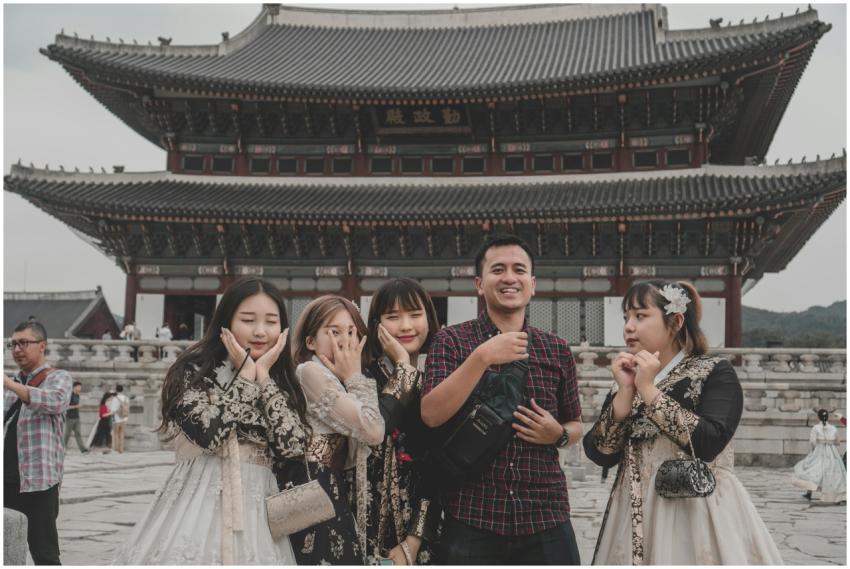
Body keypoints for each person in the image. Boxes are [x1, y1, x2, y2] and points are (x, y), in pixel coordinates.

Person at [583, 280, 783, 565]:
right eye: (626, 316)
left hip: (697, 510)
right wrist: (626, 392)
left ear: (675, 321)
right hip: (632, 509)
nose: (629, 326)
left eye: (640, 316)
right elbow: (601, 454)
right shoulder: (625, 384)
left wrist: (649, 390)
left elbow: (708, 442)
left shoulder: (714, 372)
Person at [113, 276, 308, 564]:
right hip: (198, 499)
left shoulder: (280, 381)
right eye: (248, 320)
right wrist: (245, 378)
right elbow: (210, 435)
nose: (260, 331)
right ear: (226, 322)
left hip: (258, 509)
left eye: (270, 321)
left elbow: (293, 446)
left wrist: (264, 378)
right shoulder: (192, 372)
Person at [421, 234, 583, 565]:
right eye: (498, 269)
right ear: (480, 284)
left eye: (519, 269)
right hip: (472, 512)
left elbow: (576, 423)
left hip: (545, 513)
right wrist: (480, 358)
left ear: (532, 284)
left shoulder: (557, 349)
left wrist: (559, 435)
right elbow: (431, 414)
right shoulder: (451, 341)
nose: (509, 277)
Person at [279, 295, 384, 564]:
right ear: (310, 341)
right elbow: (372, 430)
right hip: (310, 483)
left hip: (327, 482)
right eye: (334, 331)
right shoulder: (310, 371)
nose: (345, 340)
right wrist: (354, 376)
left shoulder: (330, 375)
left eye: (352, 332)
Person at [357, 278, 442, 564]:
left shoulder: (439, 383)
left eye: (415, 315)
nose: (406, 326)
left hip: (419, 522)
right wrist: (404, 367)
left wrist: (415, 539)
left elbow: (438, 465)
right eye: (393, 317)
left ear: (430, 319)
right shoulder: (362, 378)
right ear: (376, 324)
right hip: (364, 516)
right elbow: (374, 431)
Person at [4, 320, 73, 565]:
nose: (17, 349)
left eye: (24, 343)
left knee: (45, 554)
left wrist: (11, 385)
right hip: (7, 481)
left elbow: (54, 402)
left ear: (42, 345)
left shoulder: (58, 378)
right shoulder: (10, 383)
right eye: (13, 344)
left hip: (39, 483)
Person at [792, 409, 846, 503]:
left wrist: (815, 448)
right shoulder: (833, 428)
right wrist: (829, 442)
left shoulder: (815, 428)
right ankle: (833, 493)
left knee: (814, 470)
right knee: (832, 472)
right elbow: (837, 442)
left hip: (819, 451)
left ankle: (809, 492)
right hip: (831, 452)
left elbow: (812, 442)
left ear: (818, 417)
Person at [64, 381, 88, 453]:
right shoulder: (69, 395)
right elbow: (66, 407)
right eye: (79, 386)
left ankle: (83, 449)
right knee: (67, 434)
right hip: (69, 418)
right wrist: (76, 406)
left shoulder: (78, 395)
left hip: (77, 417)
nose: (80, 388)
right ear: (75, 387)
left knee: (78, 433)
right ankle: (62, 448)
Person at [109, 385, 130, 453]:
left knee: (115, 433)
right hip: (124, 418)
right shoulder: (126, 398)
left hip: (116, 418)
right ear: (122, 390)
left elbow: (112, 409)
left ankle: (117, 449)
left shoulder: (115, 398)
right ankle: (121, 449)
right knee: (122, 434)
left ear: (116, 390)